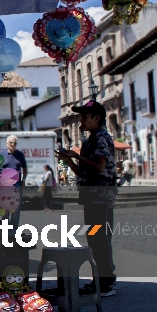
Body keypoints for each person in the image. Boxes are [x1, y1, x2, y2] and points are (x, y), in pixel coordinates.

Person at [57, 100, 117, 297]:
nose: (80, 121)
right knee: (93, 239)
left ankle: (107, 283)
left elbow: (99, 167)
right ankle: (98, 280)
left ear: (96, 118)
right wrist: (70, 160)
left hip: (101, 196)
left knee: (100, 239)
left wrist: (77, 156)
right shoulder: (88, 141)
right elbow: (83, 171)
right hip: (90, 196)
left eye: (84, 117)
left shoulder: (102, 138)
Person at [1, 135, 27, 228]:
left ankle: (14, 230)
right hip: (5, 187)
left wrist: (23, 180)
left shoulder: (20, 155)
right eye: (11, 142)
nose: (13, 144)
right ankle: (5, 231)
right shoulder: (2, 154)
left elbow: (25, 168)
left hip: (17, 186)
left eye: (15, 143)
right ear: (7, 144)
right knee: (5, 209)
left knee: (16, 209)